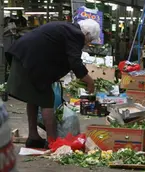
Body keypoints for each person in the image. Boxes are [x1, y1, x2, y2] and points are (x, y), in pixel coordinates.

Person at [5, 19, 100, 148]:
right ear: (87, 34)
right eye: (89, 40)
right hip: (31, 61)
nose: (87, 44)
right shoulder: (76, 34)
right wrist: (90, 81)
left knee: (33, 98)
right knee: (47, 101)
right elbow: (75, 62)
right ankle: (52, 142)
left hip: (23, 56)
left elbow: (56, 51)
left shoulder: (67, 28)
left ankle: (33, 137)